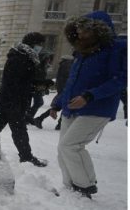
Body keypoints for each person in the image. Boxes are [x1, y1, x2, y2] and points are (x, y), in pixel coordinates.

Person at [51, 12, 126, 198]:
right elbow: (72, 82)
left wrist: (89, 96)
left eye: (85, 30)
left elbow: (120, 80)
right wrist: (57, 103)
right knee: (63, 149)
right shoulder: (82, 53)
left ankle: (84, 187)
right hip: (72, 107)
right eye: (78, 30)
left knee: (71, 146)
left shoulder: (117, 49)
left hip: (96, 107)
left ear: (98, 30)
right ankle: (69, 187)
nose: (81, 34)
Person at [0, 32, 47, 167]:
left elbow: (22, 81)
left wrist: (37, 85)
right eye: (39, 44)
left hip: (12, 101)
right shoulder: (20, 58)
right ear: (32, 44)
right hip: (12, 102)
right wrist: (33, 86)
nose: (41, 47)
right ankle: (26, 156)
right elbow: (15, 82)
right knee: (17, 130)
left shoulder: (25, 57)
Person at [31, 54, 73, 129]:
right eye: (48, 59)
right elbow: (65, 79)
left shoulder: (64, 65)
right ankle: (39, 119)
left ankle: (40, 119)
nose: (49, 61)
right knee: (63, 105)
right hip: (65, 90)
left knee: (60, 106)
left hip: (63, 89)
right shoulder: (68, 65)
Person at [26, 52, 54, 125]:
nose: (49, 60)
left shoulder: (44, 66)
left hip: (38, 87)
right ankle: (27, 118)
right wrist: (45, 83)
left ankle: (27, 118)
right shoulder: (38, 66)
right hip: (34, 87)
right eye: (47, 58)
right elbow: (36, 79)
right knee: (37, 102)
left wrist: (45, 87)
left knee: (36, 103)